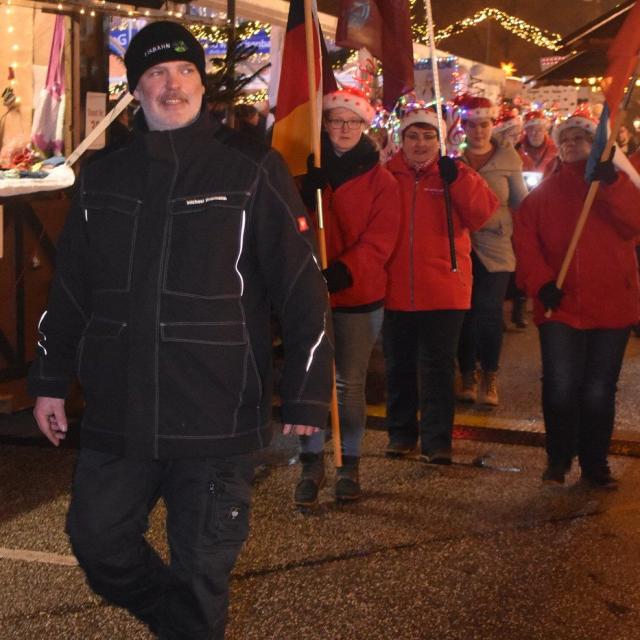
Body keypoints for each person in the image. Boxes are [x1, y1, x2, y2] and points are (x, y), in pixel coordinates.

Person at [28, 22, 332, 640]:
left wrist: (304, 392)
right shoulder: (105, 175)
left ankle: (191, 624)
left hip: (215, 413)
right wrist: (49, 380)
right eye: (157, 74)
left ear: (201, 82)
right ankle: (185, 627)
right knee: (98, 542)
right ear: (136, 90)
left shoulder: (251, 168)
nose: (174, 85)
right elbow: (70, 293)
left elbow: (304, 289)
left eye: (186, 71)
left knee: (202, 571)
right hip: (122, 409)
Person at [513, 109, 640, 489]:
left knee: (600, 389)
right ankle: (558, 457)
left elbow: (634, 224)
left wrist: (613, 185)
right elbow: (526, 243)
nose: (571, 145)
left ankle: (595, 461)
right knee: (560, 384)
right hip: (560, 306)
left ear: (598, 145)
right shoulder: (542, 196)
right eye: (565, 139)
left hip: (611, 304)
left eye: (580, 139)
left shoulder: (614, 185)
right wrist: (541, 284)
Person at [295, 87, 400, 505]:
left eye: (351, 121)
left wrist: (344, 270)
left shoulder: (382, 181)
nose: (343, 128)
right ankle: (309, 462)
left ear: (364, 126)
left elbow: (381, 240)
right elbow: (289, 225)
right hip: (309, 293)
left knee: (347, 385)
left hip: (356, 294)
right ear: (325, 123)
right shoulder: (305, 172)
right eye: (336, 120)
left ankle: (348, 463)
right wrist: (305, 195)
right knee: (308, 383)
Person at [383, 105, 498, 463]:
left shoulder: (455, 173)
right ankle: (401, 434)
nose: (420, 143)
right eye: (413, 136)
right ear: (402, 140)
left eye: (428, 136)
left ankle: (437, 441)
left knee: (437, 368)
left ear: (440, 140)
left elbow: (482, 215)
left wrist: (458, 180)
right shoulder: (387, 176)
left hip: (445, 289)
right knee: (399, 365)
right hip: (395, 289)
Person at [456, 95, 528, 405]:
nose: (478, 131)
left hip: (496, 248)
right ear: (464, 127)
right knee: (464, 315)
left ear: (491, 125)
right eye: (472, 124)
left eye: (484, 124)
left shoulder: (509, 161)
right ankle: (467, 375)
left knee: (488, 312)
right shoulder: (454, 162)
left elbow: (521, 203)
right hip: (462, 248)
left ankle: (490, 374)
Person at [517, 110, 558, 176]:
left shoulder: (555, 149)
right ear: (526, 131)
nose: (534, 133)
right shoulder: (518, 147)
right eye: (531, 130)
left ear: (545, 130)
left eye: (539, 130)